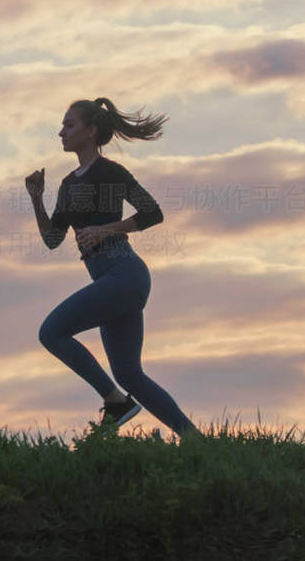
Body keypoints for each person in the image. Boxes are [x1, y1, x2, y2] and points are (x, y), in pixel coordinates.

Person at [24, 97, 203, 441]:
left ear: (90, 132)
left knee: (51, 333)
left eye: (69, 125)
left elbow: (153, 213)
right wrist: (36, 197)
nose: (61, 132)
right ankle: (198, 442)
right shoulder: (68, 184)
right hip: (110, 281)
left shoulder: (110, 172)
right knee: (129, 374)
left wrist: (107, 229)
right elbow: (52, 239)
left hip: (124, 275)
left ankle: (115, 403)